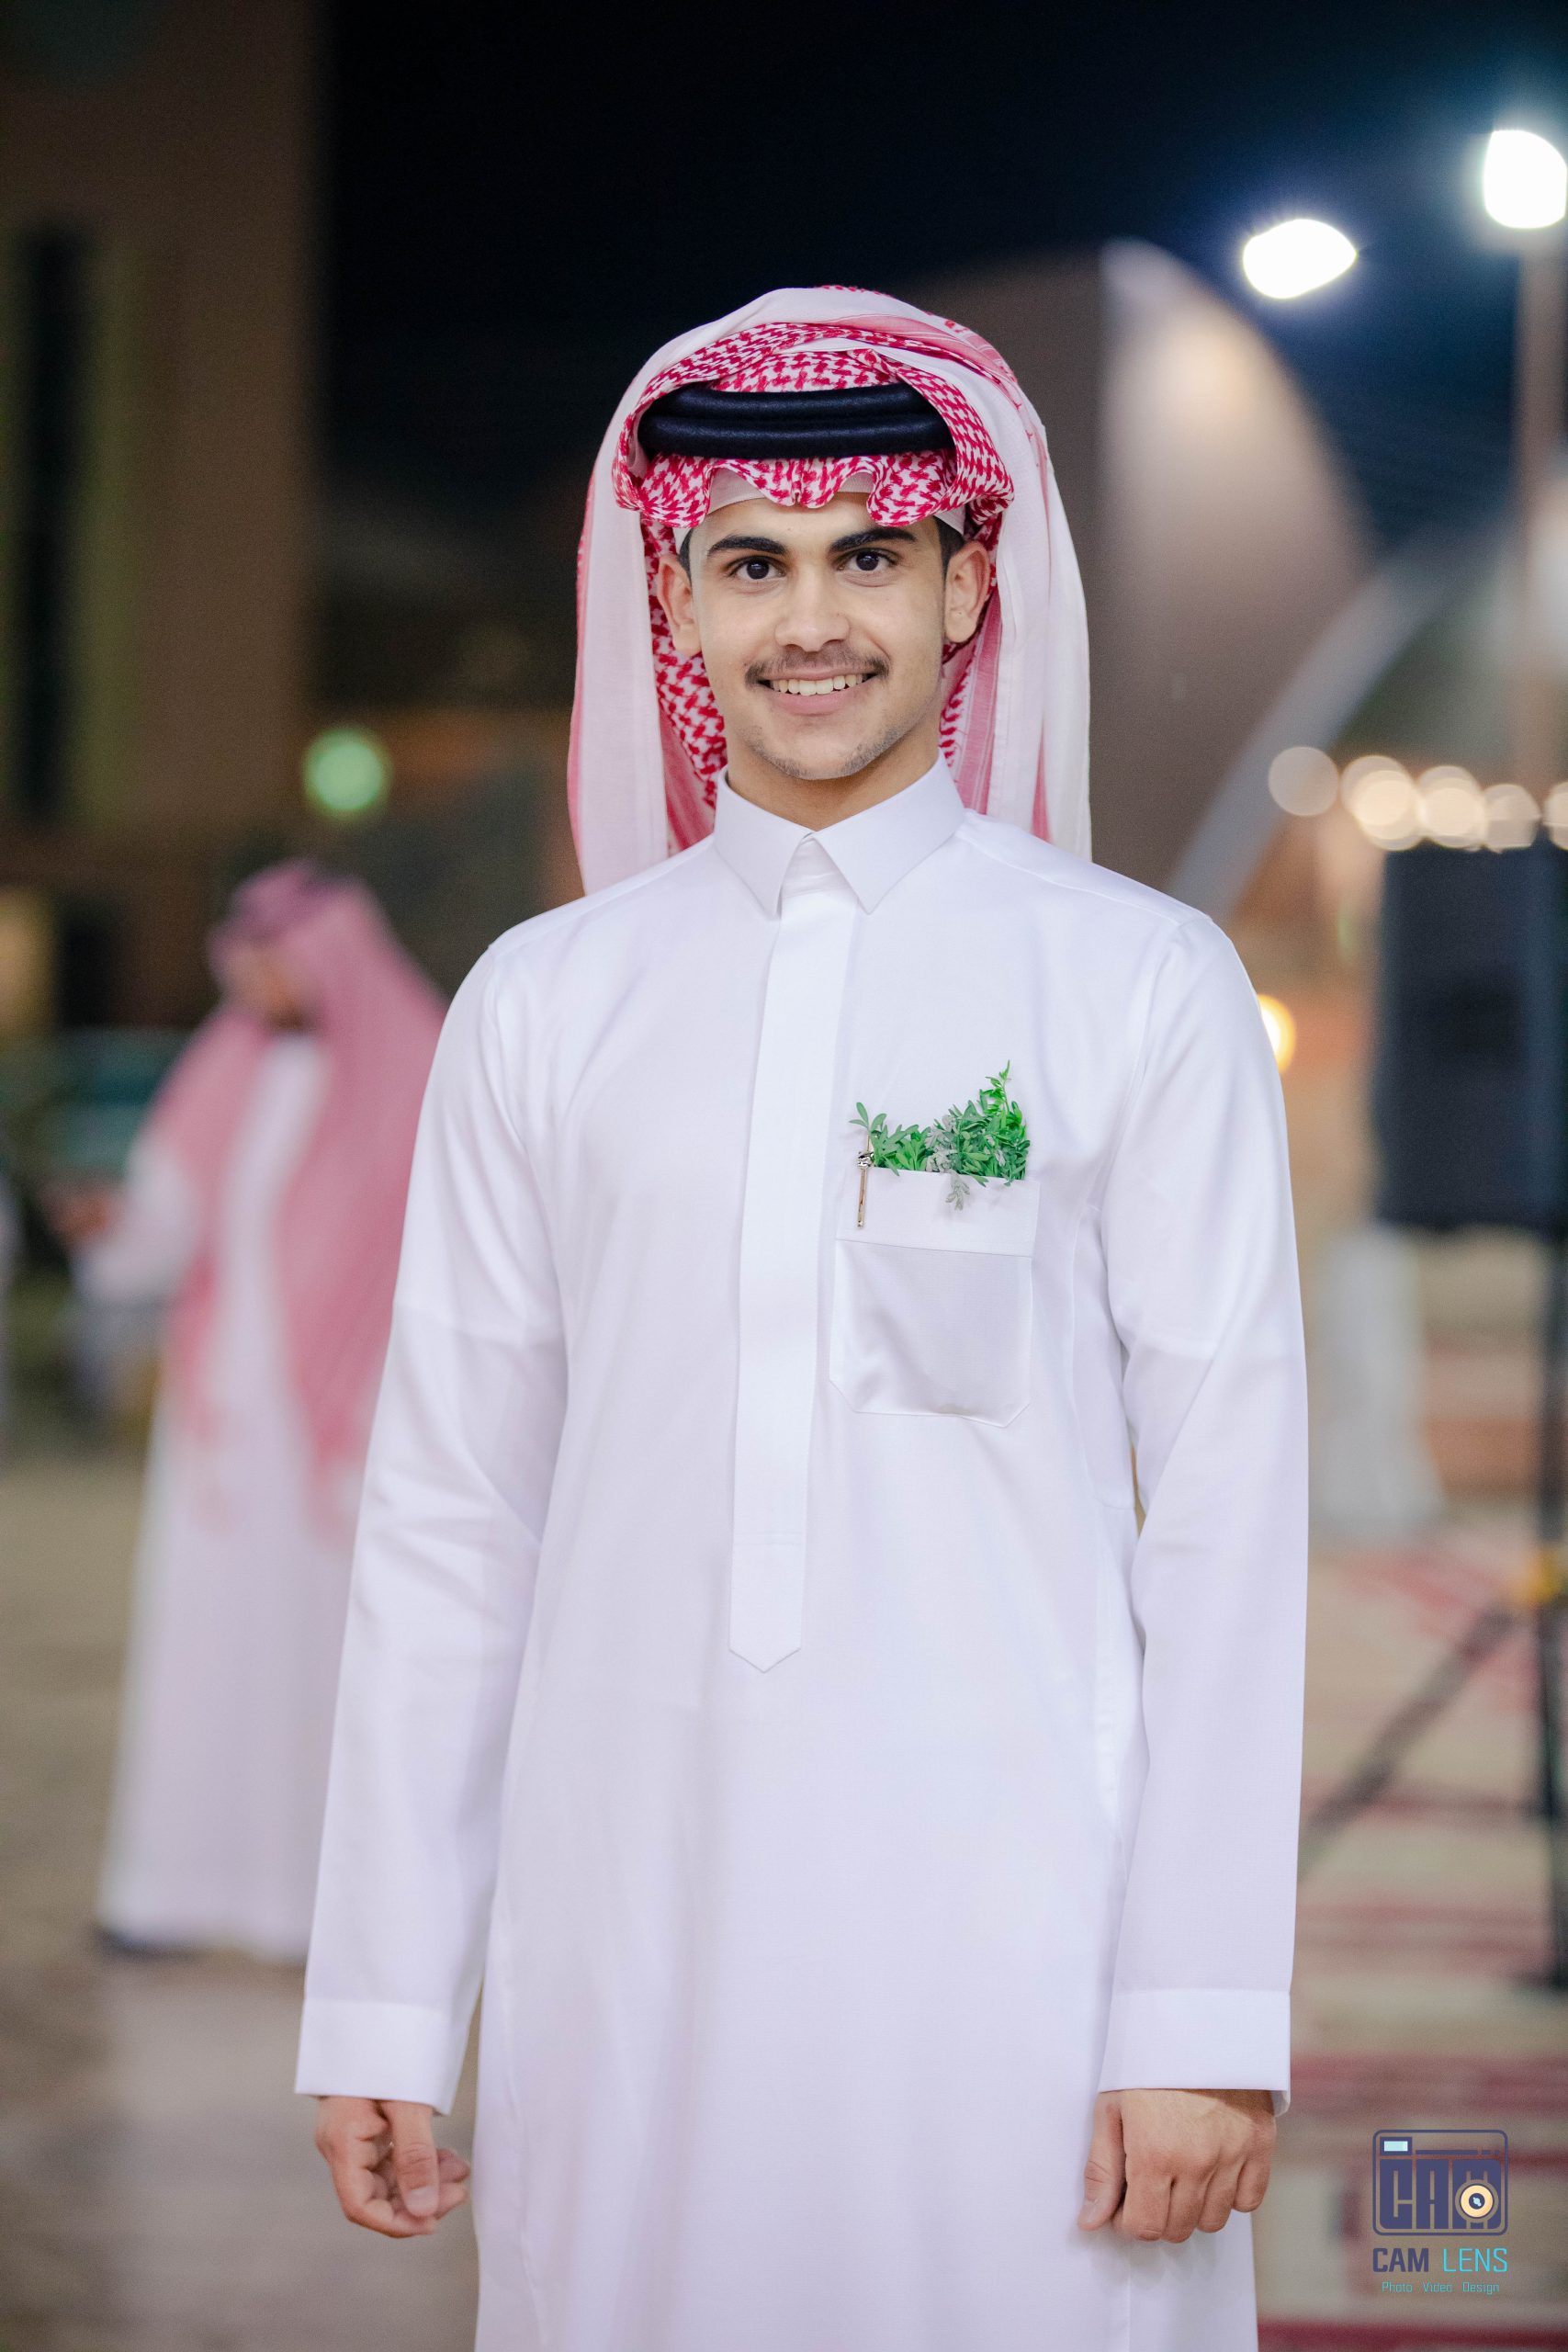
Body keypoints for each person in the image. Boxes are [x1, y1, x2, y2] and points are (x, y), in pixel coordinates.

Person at [299, 288, 1309, 2351]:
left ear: (965, 587)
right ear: (673, 605)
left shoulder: (1134, 982)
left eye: (867, 555)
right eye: (750, 565)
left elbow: (1227, 1520)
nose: (811, 620)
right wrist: (389, 1995)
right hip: (628, 1928)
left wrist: (1199, 2009)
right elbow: (448, 1522)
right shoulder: (544, 1004)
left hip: (1024, 1932)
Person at [64, 864, 444, 1961]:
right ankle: (172, 1890)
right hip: (227, 1422)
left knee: (330, 1662)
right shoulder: (225, 1063)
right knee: (205, 1650)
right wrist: (111, 1229)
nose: (256, 982)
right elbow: (163, 1227)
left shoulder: (420, 1066)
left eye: (276, 960)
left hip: (353, 1429)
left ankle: (318, 1912)